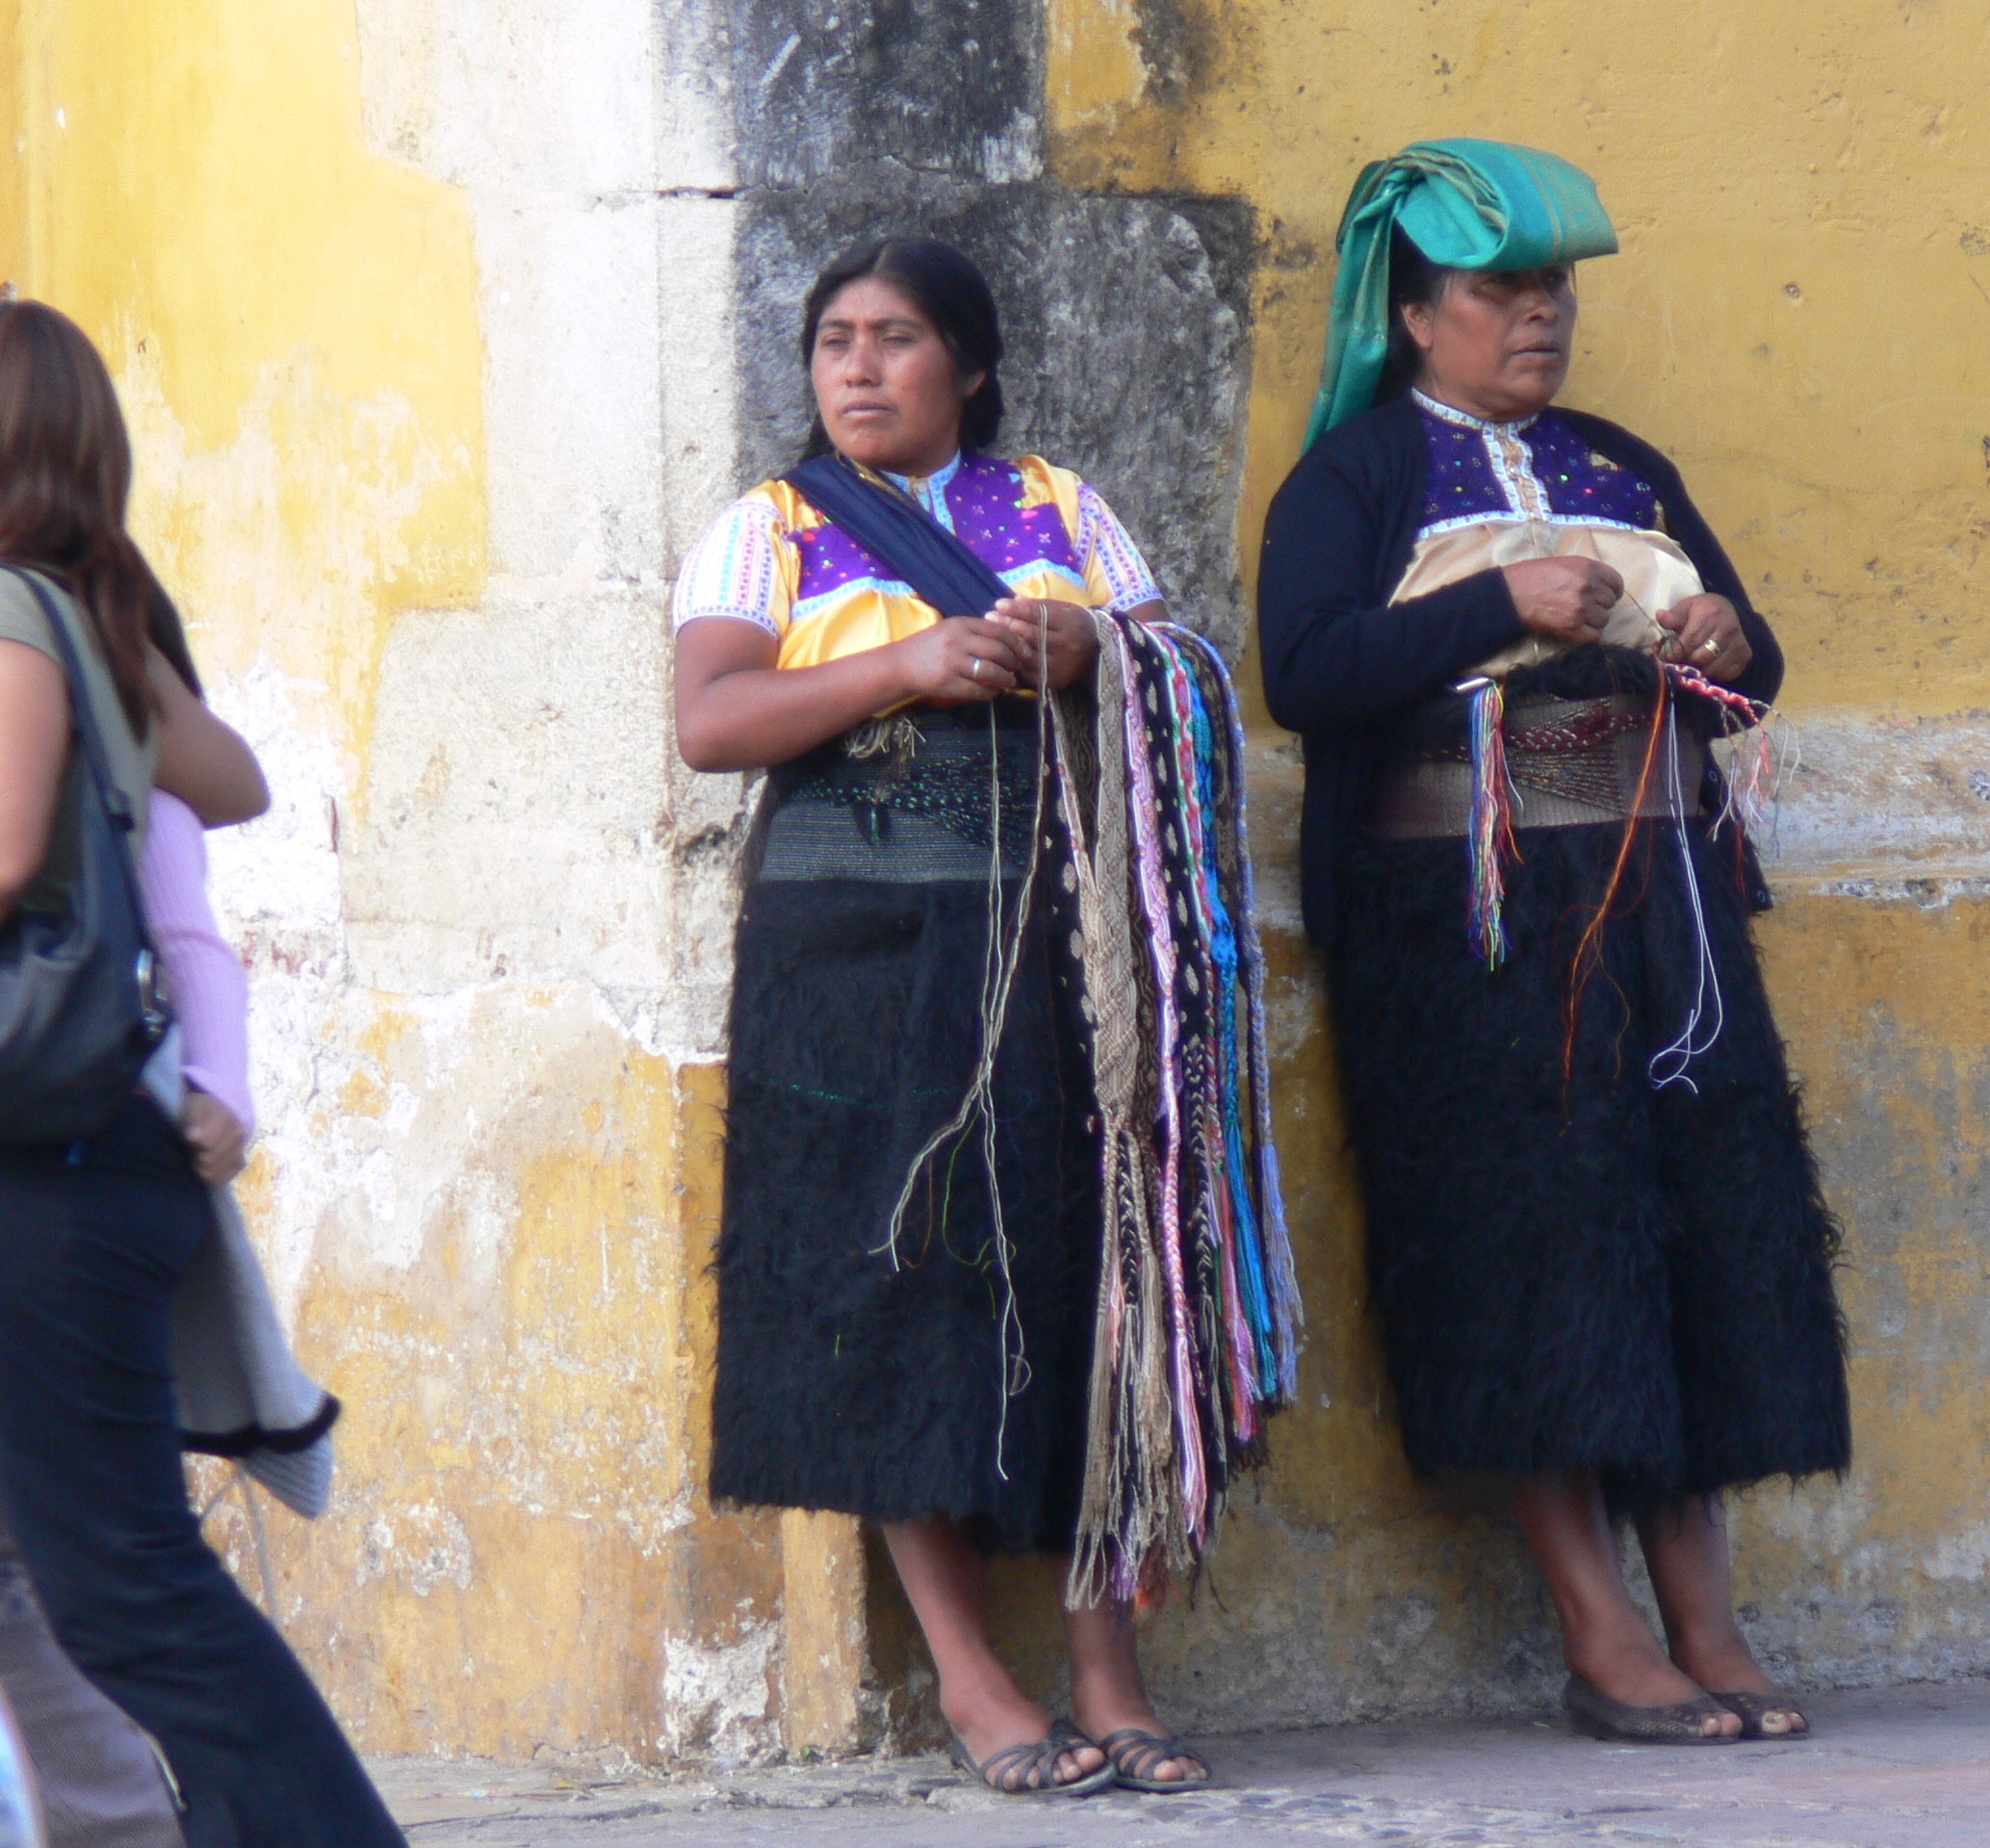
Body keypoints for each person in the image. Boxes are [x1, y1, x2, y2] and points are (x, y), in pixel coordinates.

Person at [672, 237, 1287, 1797]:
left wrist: (1098, 650)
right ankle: (972, 1677)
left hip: (1052, 945)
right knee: (887, 1278)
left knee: (1088, 1273)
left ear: (971, 364)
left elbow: (1195, 685)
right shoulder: (772, 527)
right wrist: (906, 663)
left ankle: (1107, 1666)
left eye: (896, 338)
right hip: (847, 952)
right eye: (834, 341)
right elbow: (714, 720)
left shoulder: (1062, 512)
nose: (859, 367)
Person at [1258, 141, 1853, 1745]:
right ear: (1416, 313)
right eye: (1501, 290)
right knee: (1535, 1253)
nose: (1541, 317)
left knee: (1693, 1235)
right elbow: (1306, 672)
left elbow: (1753, 666)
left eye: (1557, 288)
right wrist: (1502, 596)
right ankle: (1601, 1634)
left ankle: (1707, 1621)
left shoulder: (1622, 463)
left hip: (1662, 907)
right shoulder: (1358, 482)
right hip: (1470, 932)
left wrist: (1731, 641)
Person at [0, 296, 407, 1844]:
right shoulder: (78, 612)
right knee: (91, 1579)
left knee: (127, 1589)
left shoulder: (17, 612)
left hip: (47, 1162)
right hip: (92, 1153)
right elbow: (223, 779)